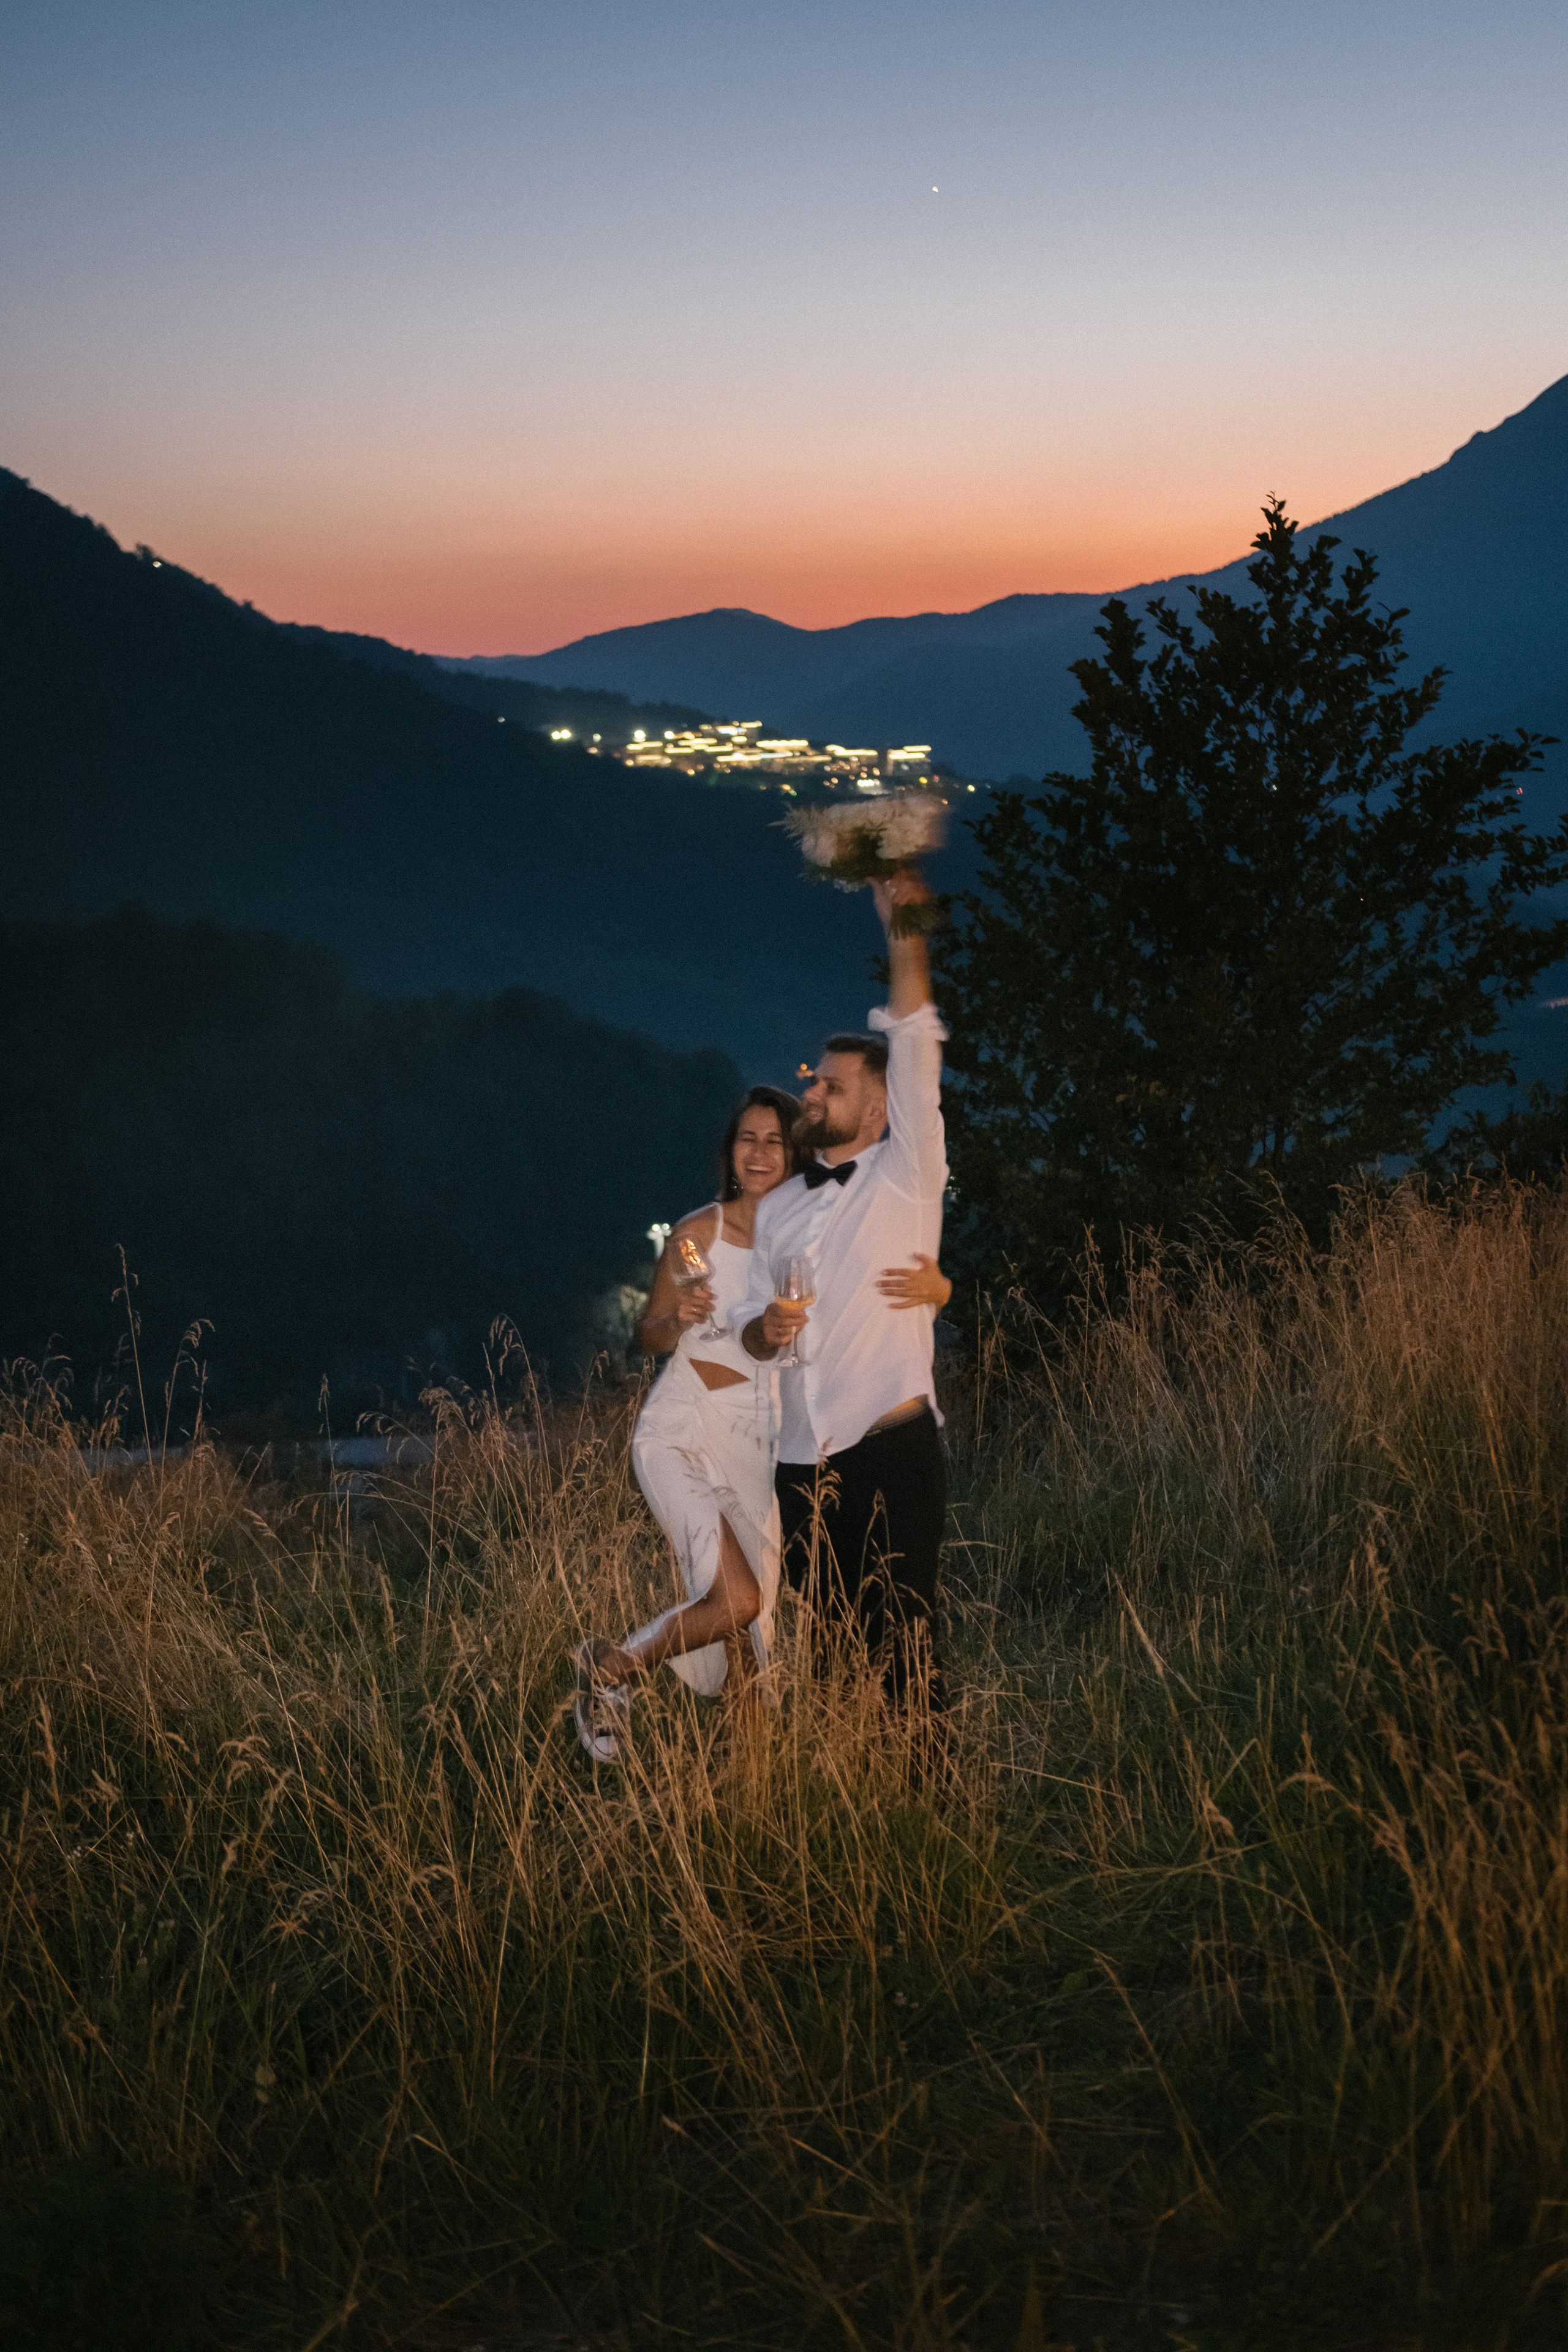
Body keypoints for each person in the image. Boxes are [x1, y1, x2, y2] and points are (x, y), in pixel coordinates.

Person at [573, 1084, 951, 1763]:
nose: (759, 1152)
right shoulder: (697, 1237)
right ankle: (609, 1671)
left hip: (762, 1447)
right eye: (747, 1138)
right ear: (731, 1151)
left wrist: (940, 1289)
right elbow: (652, 1332)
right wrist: (675, 1318)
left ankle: (751, 1797)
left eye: (775, 1140)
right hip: (684, 1432)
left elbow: (883, 1293)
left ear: (795, 1152)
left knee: (755, 1646)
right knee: (738, 1600)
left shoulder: (810, 1242)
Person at [737, 868, 951, 1724]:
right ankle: (849, 1814)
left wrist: (904, 931)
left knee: (904, 1640)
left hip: (891, 1443)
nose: (812, 1092)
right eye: (814, 1081)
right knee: (827, 1648)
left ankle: (932, 1807)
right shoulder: (780, 1208)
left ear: (877, 1109)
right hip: (799, 1458)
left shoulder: (907, 1174)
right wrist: (767, 1328)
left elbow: (914, 1038)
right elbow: (753, 1340)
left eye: (830, 1085)